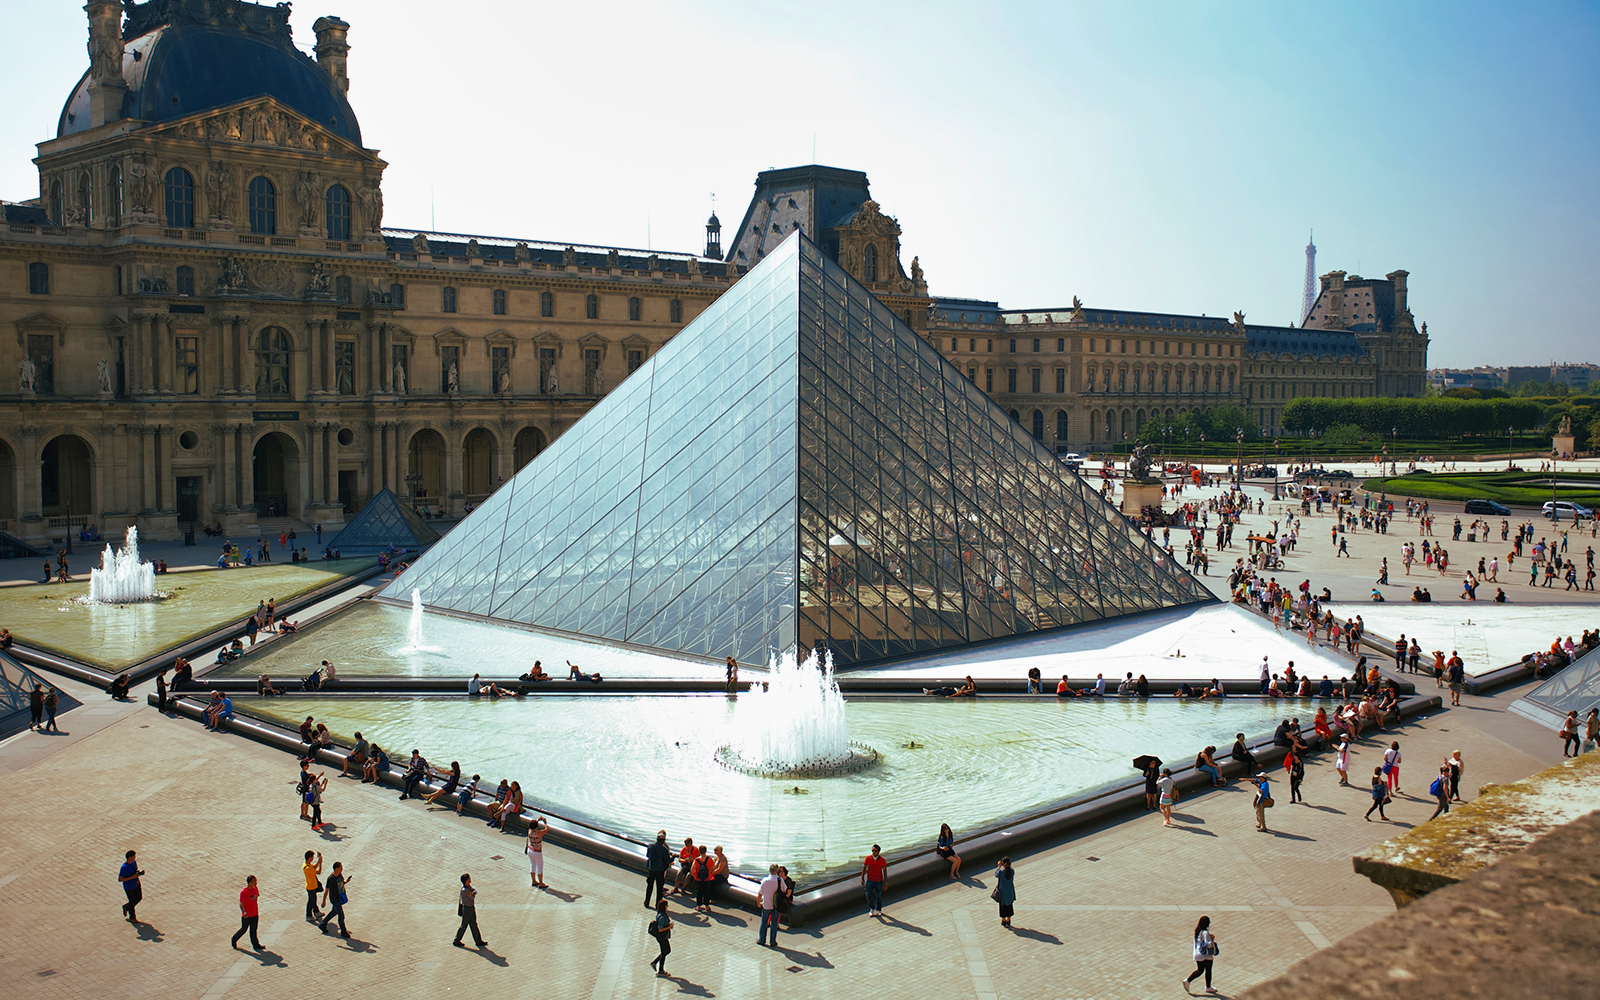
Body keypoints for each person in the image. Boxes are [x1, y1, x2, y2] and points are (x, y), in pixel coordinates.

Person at [1184, 915, 1218, 994]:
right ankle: (1208, 987)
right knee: (1208, 970)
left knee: (1200, 970)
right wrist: (1212, 940)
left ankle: (1188, 981)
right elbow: (1208, 944)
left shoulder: (1198, 931)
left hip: (1198, 954)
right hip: (1206, 955)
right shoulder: (1205, 933)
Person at [454, 872, 486, 948]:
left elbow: (474, 891)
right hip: (467, 909)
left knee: (474, 924)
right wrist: (472, 894)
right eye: (469, 879)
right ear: (466, 880)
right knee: (464, 925)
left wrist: (472, 893)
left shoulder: (468, 887)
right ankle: (457, 940)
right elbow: (472, 897)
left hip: (471, 908)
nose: (470, 879)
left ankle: (478, 941)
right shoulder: (465, 890)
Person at [231, 875, 263, 951]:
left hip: (254, 913)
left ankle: (256, 945)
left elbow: (256, 897)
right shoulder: (244, 892)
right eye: (254, 881)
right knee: (243, 929)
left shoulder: (255, 889)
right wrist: (244, 911)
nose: (256, 883)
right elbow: (241, 903)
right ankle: (234, 939)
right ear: (250, 882)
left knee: (253, 930)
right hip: (247, 915)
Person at [319, 862, 350, 937]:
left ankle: (323, 924)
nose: (342, 869)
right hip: (335, 899)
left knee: (334, 912)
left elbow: (341, 883)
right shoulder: (331, 879)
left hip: (340, 897)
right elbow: (327, 890)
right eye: (340, 867)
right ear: (336, 868)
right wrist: (324, 902)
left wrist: (346, 881)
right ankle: (343, 931)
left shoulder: (339, 875)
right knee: (341, 915)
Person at [645, 831, 672, 908]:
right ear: (663, 840)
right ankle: (658, 905)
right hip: (660, 870)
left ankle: (647, 902)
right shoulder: (664, 850)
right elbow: (667, 861)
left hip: (651, 869)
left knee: (649, 886)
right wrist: (673, 857)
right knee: (659, 888)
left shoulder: (650, 846)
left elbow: (647, 855)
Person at [757, 863, 782, 946]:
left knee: (764, 922)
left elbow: (760, 893)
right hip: (776, 905)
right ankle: (772, 941)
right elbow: (784, 890)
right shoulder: (779, 880)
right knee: (774, 923)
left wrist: (758, 902)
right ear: (777, 871)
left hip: (766, 904)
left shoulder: (765, 880)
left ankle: (762, 940)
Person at [861, 844, 888, 916]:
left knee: (878, 896)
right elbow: (864, 867)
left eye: (875, 851)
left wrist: (885, 882)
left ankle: (879, 909)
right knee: (868, 894)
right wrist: (862, 878)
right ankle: (872, 908)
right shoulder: (868, 858)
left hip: (879, 881)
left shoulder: (882, 860)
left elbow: (885, 871)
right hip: (870, 880)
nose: (873, 852)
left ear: (878, 852)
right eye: (872, 850)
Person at [647, 897, 673, 976]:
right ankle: (661, 970)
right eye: (667, 905)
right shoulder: (662, 916)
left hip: (663, 936)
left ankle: (654, 962)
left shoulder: (661, 914)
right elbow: (660, 929)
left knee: (667, 950)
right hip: (662, 937)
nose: (667, 907)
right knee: (664, 952)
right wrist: (669, 926)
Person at [119, 849, 144, 923]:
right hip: (129, 887)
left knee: (139, 898)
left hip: (136, 884)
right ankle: (132, 917)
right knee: (132, 901)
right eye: (134, 856)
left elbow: (135, 871)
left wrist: (139, 873)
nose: (135, 857)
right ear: (130, 857)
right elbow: (120, 879)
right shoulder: (124, 867)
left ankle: (127, 907)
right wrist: (131, 877)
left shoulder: (134, 863)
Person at [993, 856, 1016, 927]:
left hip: (1003, 891)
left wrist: (998, 866)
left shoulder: (1001, 872)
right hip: (1010, 890)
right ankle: (1008, 920)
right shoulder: (1012, 871)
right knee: (1009, 905)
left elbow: (996, 874)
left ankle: (1003, 920)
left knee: (1003, 906)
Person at [691, 846, 714, 913]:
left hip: (698, 879)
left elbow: (692, 869)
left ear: (699, 851)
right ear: (705, 851)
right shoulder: (709, 859)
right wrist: (710, 874)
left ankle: (698, 906)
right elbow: (713, 867)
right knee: (706, 891)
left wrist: (695, 876)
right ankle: (707, 905)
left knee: (699, 892)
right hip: (707, 878)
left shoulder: (696, 860)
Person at [526, 815, 547, 888]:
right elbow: (547, 829)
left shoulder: (529, 831)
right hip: (537, 851)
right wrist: (545, 822)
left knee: (533, 865)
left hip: (530, 849)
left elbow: (532, 826)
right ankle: (541, 882)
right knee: (539, 866)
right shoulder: (538, 833)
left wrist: (537, 821)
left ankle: (534, 880)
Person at [303, 850, 323, 921]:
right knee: (311, 901)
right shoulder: (308, 868)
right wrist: (320, 863)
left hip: (312, 885)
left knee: (313, 900)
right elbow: (319, 872)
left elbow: (314, 867)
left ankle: (316, 912)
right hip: (311, 887)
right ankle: (308, 915)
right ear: (310, 858)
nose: (313, 858)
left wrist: (319, 861)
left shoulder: (307, 865)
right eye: (312, 857)